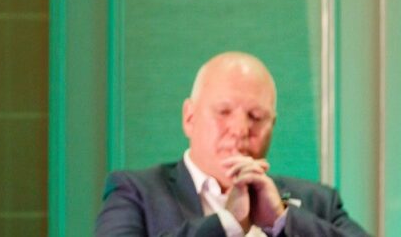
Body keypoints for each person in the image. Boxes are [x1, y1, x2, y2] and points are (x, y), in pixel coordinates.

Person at [95, 52, 370, 236]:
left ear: (272, 126)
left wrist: (280, 220)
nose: (240, 130)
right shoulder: (135, 192)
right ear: (189, 117)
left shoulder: (317, 201)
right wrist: (227, 224)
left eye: (256, 116)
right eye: (224, 112)